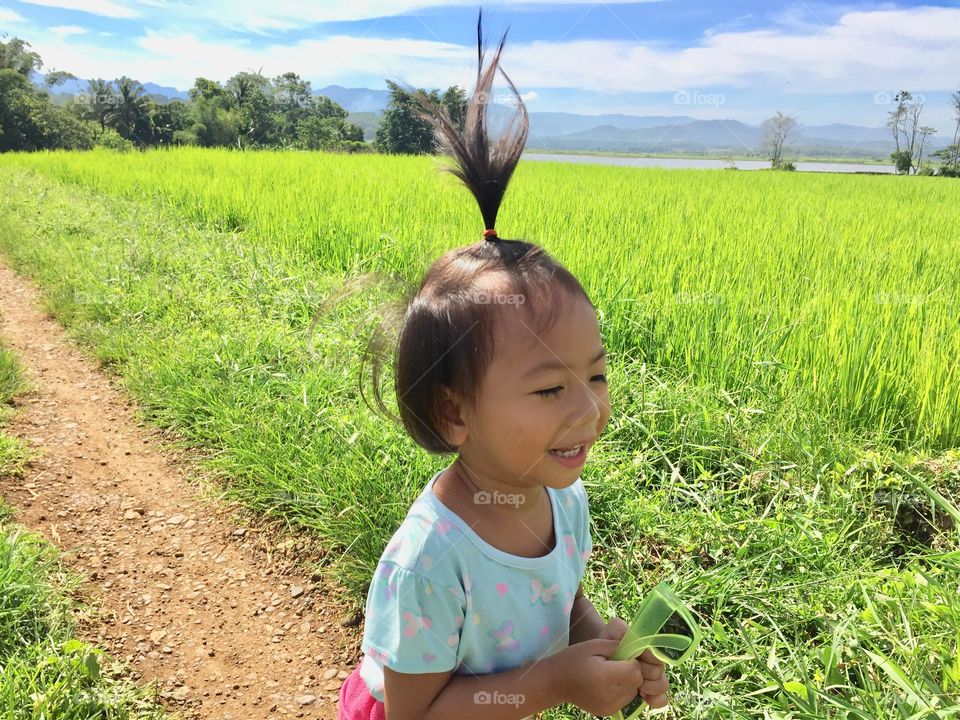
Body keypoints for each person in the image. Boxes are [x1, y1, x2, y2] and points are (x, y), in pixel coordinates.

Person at [338, 13, 670, 720]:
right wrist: (551, 685)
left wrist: (603, 650)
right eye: (549, 389)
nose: (589, 409)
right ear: (455, 411)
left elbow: (563, 601)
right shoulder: (432, 563)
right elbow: (416, 716)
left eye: (596, 376)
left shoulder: (563, 499)